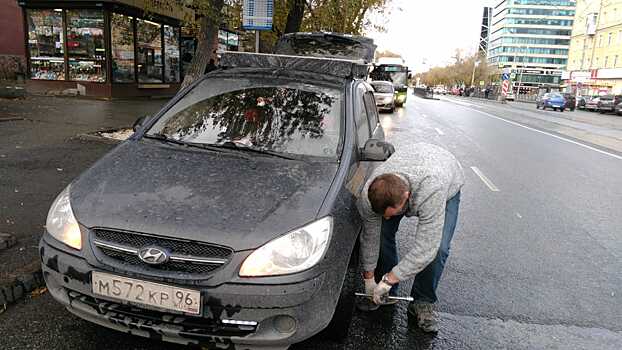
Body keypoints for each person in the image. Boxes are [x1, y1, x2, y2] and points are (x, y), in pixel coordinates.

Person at [357, 142, 464, 333]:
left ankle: (422, 302)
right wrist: (369, 278)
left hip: (444, 176)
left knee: (438, 248)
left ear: (407, 197)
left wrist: (389, 279)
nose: (387, 218)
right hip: (413, 163)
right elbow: (370, 237)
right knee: (381, 233)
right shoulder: (368, 194)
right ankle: (387, 295)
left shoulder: (432, 189)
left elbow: (426, 248)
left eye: (391, 213)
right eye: (384, 214)